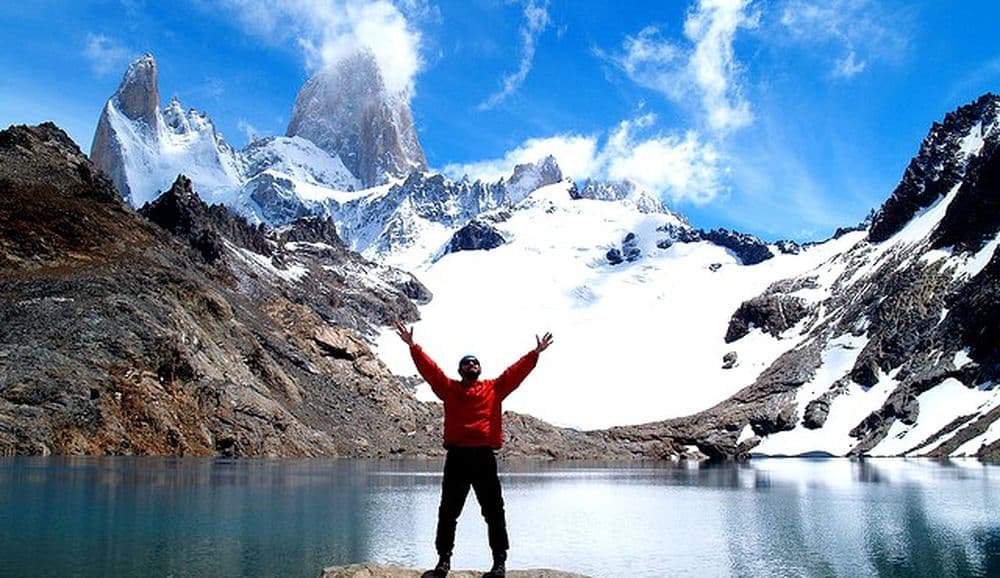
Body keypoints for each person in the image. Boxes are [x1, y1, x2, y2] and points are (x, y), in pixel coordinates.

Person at [394, 321, 554, 578]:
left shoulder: (494, 388)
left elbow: (516, 372)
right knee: (448, 512)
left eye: (475, 363)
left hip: (483, 457)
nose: (471, 365)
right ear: (460, 370)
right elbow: (431, 371)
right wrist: (413, 347)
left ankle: (499, 564)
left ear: (479, 369)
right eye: (467, 363)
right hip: (457, 457)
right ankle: (443, 562)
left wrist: (535, 354)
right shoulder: (449, 389)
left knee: (494, 513)